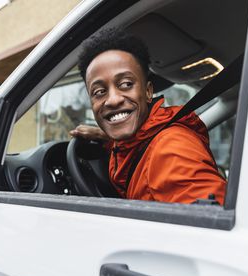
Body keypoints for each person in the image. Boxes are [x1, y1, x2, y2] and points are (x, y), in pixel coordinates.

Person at [70, 28, 226, 205]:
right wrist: (107, 139)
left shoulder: (170, 150)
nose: (112, 100)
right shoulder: (139, 140)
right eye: (99, 92)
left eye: (126, 84)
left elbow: (212, 220)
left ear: (148, 92)